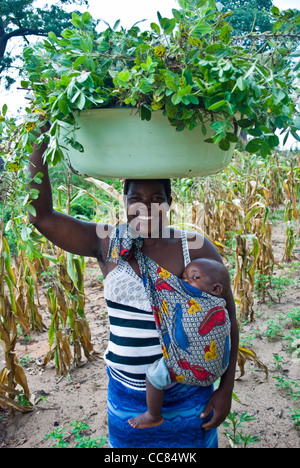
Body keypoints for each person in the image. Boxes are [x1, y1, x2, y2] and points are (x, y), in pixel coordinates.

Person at [28, 128, 239, 448]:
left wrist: (225, 390)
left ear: (170, 202)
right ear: (123, 201)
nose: (146, 208)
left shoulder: (194, 248)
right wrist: (40, 137)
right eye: (135, 198)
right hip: (127, 399)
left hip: (190, 397)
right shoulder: (107, 242)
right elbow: (41, 217)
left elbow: (229, 320)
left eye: (156, 198)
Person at [128, 258, 231, 430]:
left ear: (216, 289)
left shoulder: (213, 306)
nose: (186, 282)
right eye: (183, 278)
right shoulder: (218, 304)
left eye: (195, 278)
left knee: (154, 375)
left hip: (189, 367)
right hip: (217, 369)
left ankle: (153, 415)